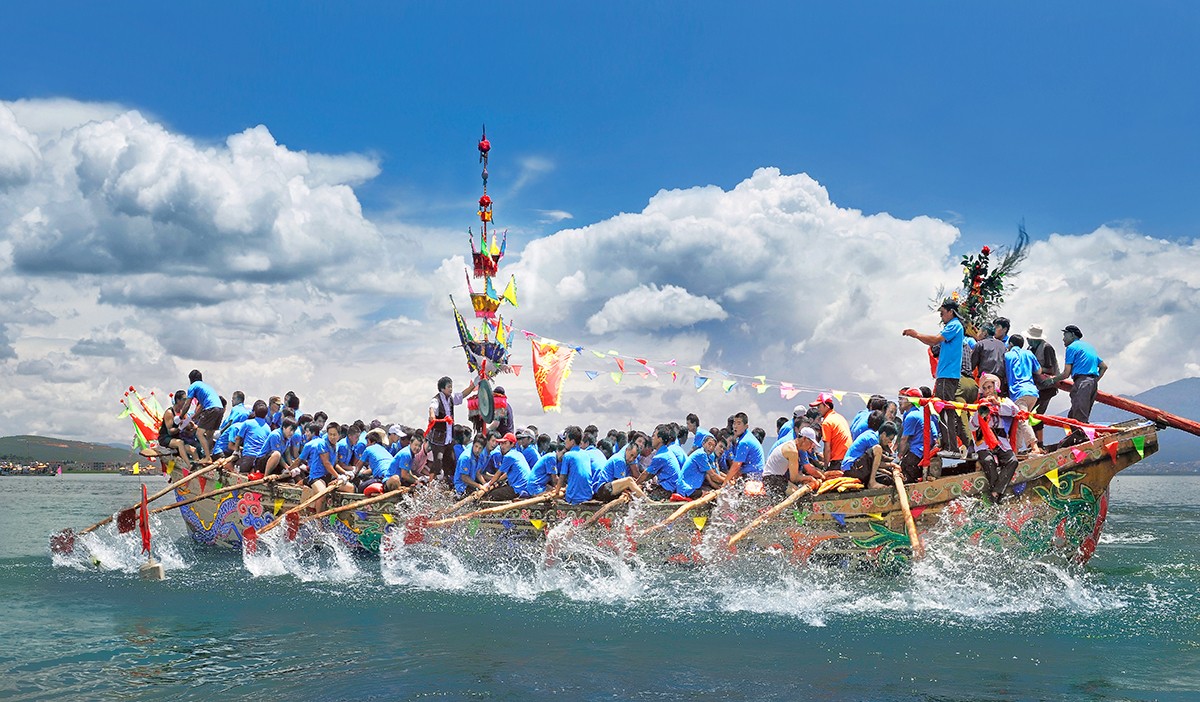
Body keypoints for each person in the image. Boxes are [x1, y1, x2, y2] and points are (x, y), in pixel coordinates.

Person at [903, 300, 968, 454]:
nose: (941, 316)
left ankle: (950, 447)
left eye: (943, 313)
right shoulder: (954, 326)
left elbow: (934, 340)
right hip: (946, 375)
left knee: (944, 410)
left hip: (947, 375)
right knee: (945, 410)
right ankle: (949, 446)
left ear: (950, 312)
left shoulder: (954, 325)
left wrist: (916, 334)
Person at [1050, 325, 1109, 447]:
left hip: (1082, 382)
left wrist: (1051, 380)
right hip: (1091, 383)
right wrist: (1094, 381)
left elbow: (1066, 373)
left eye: (1065, 335)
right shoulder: (1088, 347)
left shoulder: (1072, 347)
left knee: (1079, 417)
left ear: (1072, 335)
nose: (1063, 339)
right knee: (1074, 415)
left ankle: (1082, 443)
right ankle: (1075, 439)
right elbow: (1104, 366)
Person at [971, 373, 1022, 501]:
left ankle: (995, 492)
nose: (988, 391)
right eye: (985, 388)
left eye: (990, 387)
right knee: (988, 461)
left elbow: (1016, 411)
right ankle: (998, 494)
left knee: (1013, 461)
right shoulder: (979, 405)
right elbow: (972, 426)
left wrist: (998, 405)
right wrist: (982, 411)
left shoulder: (1004, 401)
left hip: (1000, 440)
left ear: (995, 387)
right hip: (982, 439)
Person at [428, 376, 478, 487]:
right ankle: (429, 485)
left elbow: (463, 394)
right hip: (438, 439)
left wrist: (474, 384)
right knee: (438, 461)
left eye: (451, 387)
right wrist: (432, 415)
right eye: (449, 387)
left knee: (450, 461)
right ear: (442, 389)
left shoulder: (451, 398)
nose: (451, 389)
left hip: (449, 439)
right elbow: (432, 408)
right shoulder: (436, 400)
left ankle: (448, 484)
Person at [1004, 334, 1043, 455]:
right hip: (1032, 392)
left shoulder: (1007, 356)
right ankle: (1015, 450)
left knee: (1022, 420)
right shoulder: (1029, 354)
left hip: (1018, 392)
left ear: (1010, 344)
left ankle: (1034, 447)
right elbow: (1039, 370)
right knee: (1019, 421)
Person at [1026, 324, 1061, 449]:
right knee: (1030, 415)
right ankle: (1033, 444)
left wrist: (1037, 370)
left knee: (1038, 414)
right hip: (1035, 387)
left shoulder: (1047, 348)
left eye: (1029, 338)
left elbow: (1050, 369)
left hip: (1047, 387)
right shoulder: (1030, 349)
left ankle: (1039, 444)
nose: (1027, 340)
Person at [762, 424, 824, 495]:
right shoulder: (792, 451)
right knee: (800, 496)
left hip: (778, 478)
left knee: (802, 491)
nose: (811, 446)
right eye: (811, 443)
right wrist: (809, 478)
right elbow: (794, 478)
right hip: (772, 479)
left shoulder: (792, 445)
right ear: (804, 439)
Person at [841, 414, 897, 489]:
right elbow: (878, 463)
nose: (890, 442)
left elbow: (876, 463)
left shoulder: (873, 435)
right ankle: (872, 482)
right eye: (890, 439)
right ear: (883, 434)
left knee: (886, 479)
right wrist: (892, 465)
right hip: (851, 468)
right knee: (878, 448)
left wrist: (891, 466)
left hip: (857, 467)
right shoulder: (872, 438)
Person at [897, 388, 939, 482]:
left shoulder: (912, 416)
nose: (901, 401)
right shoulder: (922, 410)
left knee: (903, 468)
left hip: (919, 451)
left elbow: (904, 439)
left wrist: (899, 455)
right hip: (927, 449)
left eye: (904, 398)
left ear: (910, 401)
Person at [485, 432, 541, 501]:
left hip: (519, 488)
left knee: (491, 495)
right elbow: (505, 474)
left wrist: (488, 485)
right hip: (526, 487)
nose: (502, 446)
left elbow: (498, 474)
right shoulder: (518, 454)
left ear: (512, 444)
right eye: (501, 444)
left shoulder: (509, 456)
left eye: (505, 443)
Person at [184, 369, 224, 461]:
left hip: (211, 409)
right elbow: (201, 406)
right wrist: (194, 416)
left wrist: (182, 415)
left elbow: (187, 403)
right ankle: (209, 456)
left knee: (199, 433)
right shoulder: (206, 387)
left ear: (191, 379)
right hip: (220, 409)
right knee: (209, 434)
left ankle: (207, 457)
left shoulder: (193, 386)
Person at [639, 424, 685, 500]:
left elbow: (646, 475)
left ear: (660, 439)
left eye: (654, 436)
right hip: (671, 487)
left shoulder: (660, 456)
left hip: (668, 490)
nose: (652, 438)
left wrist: (634, 484)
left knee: (640, 497)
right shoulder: (666, 451)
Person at [157, 390, 198, 469]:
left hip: (177, 438)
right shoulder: (169, 412)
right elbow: (170, 431)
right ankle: (189, 466)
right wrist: (180, 428)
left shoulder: (183, 412)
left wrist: (191, 425)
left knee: (193, 450)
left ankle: (198, 469)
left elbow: (188, 426)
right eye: (184, 400)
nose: (185, 402)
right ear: (178, 400)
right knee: (180, 443)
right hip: (166, 438)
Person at [230, 400, 273, 474]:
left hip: (248, 457)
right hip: (260, 460)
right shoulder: (268, 428)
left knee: (235, 471)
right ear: (266, 415)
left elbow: (238, 438)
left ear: (255, 412)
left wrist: (236, 451)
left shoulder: (247, 423)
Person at [810, 394, 851, 470]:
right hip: (848, 457)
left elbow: (827, 448)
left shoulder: (827, 422)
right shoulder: (839, 417)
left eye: (819, 406)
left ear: (826, 406)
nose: (817, 409)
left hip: (838, 460)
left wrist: (825, 467)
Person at [724, 412, 764, 484]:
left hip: (752, 476)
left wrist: (724, 483)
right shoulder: (745, 437)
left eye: (739, 423)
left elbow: (736, 466)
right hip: (754, 475)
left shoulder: (744, 442)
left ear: (746, 426)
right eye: (734, 423)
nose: (735, 426)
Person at [972, 321, 1010, 396]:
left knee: (985, 404)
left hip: (986, 381)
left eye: (979, 331)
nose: (977, 333)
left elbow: (971, 365)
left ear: (984, 333)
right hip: (1000, 381)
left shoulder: (980, 344)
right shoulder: (1002, 345)